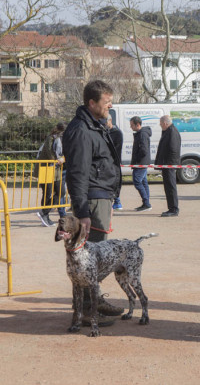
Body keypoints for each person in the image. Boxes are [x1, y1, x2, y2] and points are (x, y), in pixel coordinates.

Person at [63, 79, 124, 323]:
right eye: (106, 102)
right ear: (92, 103)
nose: (110, 105)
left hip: (100, 196)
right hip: (90, 200)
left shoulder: (95, 126)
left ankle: (92, 301)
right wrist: (82, 212)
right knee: (89, 260)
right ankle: (87, 310)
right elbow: (77, 173)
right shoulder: (81, 130)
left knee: (96, 257)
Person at [36, 122, 67, 227]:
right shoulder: (51, 138)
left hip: (56, 169)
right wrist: (60, 160)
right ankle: (45, 216)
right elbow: (50, 154)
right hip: (46, 168)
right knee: (47, 193)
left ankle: (43, 213)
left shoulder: (64, 139)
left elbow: (65, 153)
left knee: (61, 192)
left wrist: (63, 158)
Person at [155, 115, 181, 217]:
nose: (160, 125)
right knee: (168, 187)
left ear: (165, 123)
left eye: (161, 124)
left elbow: (173, 149)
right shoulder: (168, 131)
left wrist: (168, 164)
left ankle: (174, 209)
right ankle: (171, 207)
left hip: (169, 164)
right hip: (166, 164)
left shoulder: (172, 132)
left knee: (171, 187)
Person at [130, 116, 152, 211]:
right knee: (143, 182)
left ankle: (146, 203)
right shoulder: (140, 133)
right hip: (141, 162)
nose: (131, 127)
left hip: (140, 162)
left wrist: (136, 160)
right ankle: (146, 203)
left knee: (137, 181)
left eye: (132, 125)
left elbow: (144, 150)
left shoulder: (142, 134)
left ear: (137, 124)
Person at [105, 116, 124, 211]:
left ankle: (117, 201)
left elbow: (116, 149)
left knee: (114, 181)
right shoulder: (104, 132)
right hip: (105, 163)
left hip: (114, 162)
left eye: (105, 122)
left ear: (110, 121)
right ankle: (114, 200)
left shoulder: (117, 133)